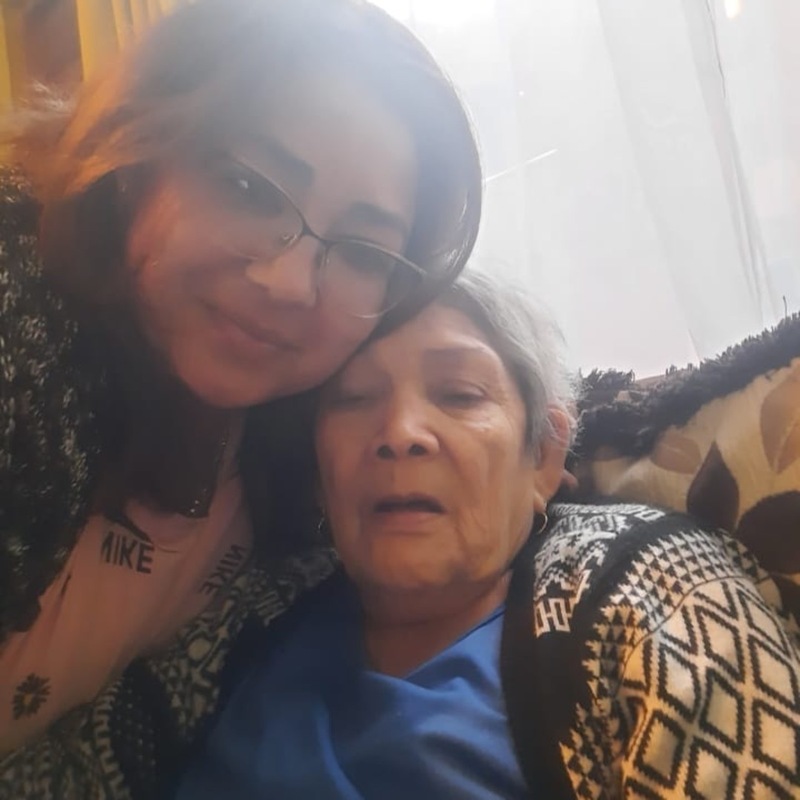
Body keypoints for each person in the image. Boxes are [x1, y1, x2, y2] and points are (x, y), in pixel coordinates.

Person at [0, 0, 481, 765]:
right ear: (135, 159)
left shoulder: (311, 427)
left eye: (363, 252)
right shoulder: (22, 327)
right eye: (250, 189)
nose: (290, 283)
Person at [179, 269, 800, 799]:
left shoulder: (650, 581)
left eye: (459, 394)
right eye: (355, 397)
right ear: (319, 476)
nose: (400, 432)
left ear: (545, 456)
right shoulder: (240, 617)